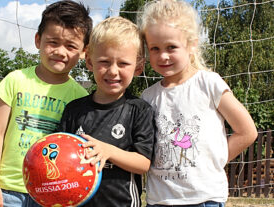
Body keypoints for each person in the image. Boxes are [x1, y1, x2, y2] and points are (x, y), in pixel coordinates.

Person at [137, 0, 258, 206]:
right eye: (155, 48)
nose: (163, 55)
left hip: (205, 198)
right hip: (160, 200)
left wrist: (213, 162)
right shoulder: (147, 96)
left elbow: (247, 131)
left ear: (192, 44)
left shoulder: (208, 83)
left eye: (171, 47)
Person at [0, 1, 92, 207]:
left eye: (70, 46)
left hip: (51, 192)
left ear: (84, 51)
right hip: (8, 191)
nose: (61, 51)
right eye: (53, 42)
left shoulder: (80, 96)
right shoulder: (15, 80)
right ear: (38, 40)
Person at [58, 16, 155, 207]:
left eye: (123, 64)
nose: (112, 71)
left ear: (138, 67)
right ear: (89, 61)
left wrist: (108, 151)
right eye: (104, 61)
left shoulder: (139, 110)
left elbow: (143, 163)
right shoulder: (74, 110)